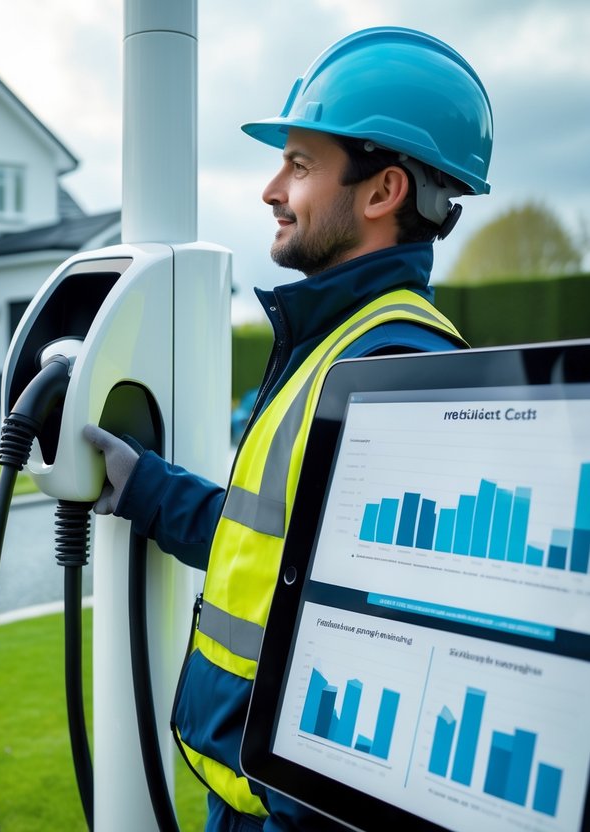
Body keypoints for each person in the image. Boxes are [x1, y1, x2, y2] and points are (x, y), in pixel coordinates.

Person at [84, 26, 493, 832]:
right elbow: (276, 554)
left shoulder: (392, 370)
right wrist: (147, 488)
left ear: (381, 193)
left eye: (299, 166)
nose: (272, 190)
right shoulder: (337, 344)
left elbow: (384, 663)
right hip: (243, 793)